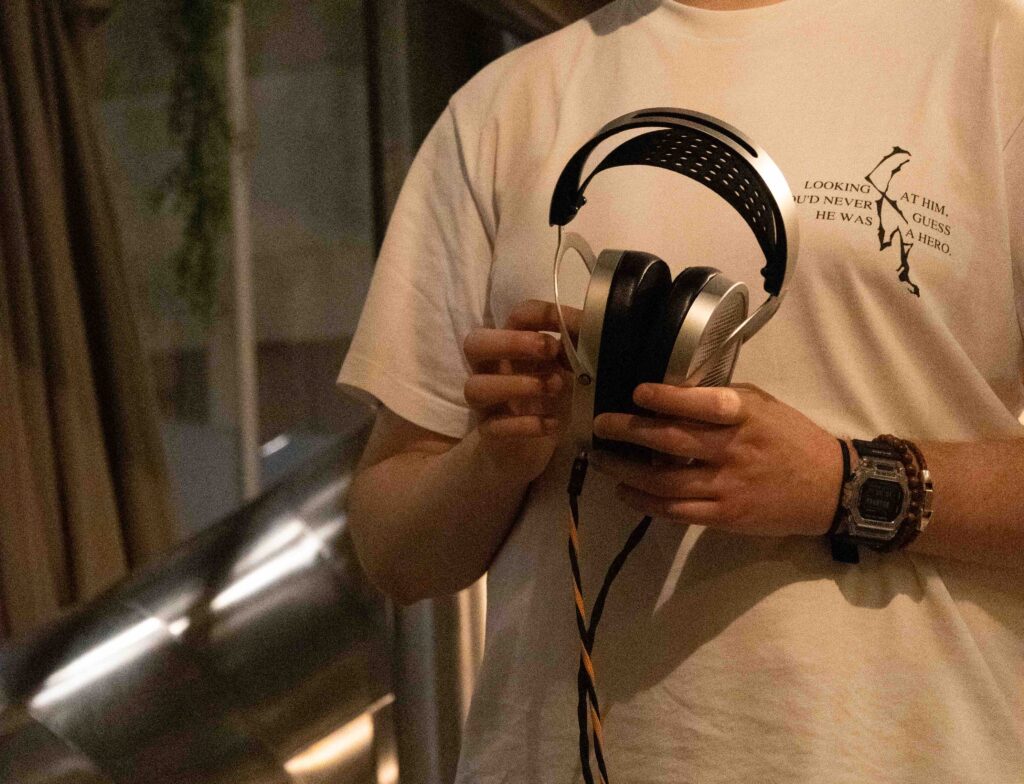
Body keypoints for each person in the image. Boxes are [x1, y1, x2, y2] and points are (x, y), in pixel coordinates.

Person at [339, 0, 1024, 781]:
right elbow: (394, 552)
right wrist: (494, 459)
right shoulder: (502, 107)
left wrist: (843, 482)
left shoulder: (993, 53)